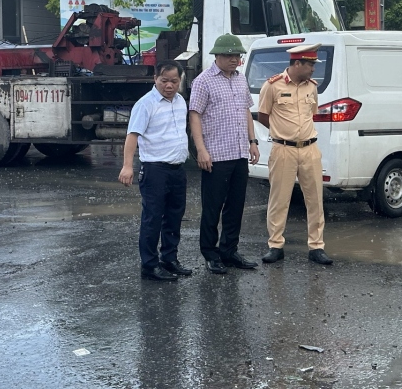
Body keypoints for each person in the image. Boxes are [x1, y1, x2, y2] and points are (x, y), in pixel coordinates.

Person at [189, 34, 261, 275]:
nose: (234, 60)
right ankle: (210, 254)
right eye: (229, 55)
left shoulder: (240, 80)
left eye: (237, 55)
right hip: (215, 155)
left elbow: (246, 112)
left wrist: (253, 142)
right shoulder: (204, 81)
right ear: (217, 56)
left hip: (239, 152)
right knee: (212, 207)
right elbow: (195, 115)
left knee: (235, 206)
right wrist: (201, 149)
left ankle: (229, 251)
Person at [258, 43, 331, 266]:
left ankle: (316, 247)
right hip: (283, 149)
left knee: (315, 200)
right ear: (297, 63)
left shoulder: (312, 87)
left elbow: (312, 113)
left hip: (310, 148)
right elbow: (263, 115)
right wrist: (282, 133)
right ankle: (275, 245)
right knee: (279, 199)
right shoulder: (272, 86)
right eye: (310, 64)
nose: (313, 69)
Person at [120, 61, 192, 282]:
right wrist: (127, 166)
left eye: (174, 81)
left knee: (174, 216)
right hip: (155, 170)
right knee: (152, 218)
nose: (169, 85)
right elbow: (132, 135)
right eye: (164, 80)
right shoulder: (145, 104)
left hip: (177, 169)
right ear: (155, 79)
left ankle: (169, 259)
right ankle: (149, 266)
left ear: (180, 81)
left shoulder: (181, 102)